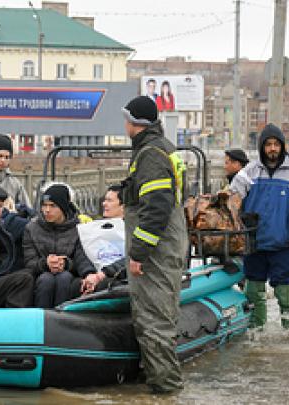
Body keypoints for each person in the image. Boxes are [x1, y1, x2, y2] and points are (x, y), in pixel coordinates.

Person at [121, 95, 188, 394]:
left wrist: (138, 253)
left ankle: (167, 392)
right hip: (168, 248)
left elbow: (157, 206)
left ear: (135, 123)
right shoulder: (163, 149)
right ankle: (161, 385)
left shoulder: (150, 154)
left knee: (154, 323)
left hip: (156, 255)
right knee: (159, 319)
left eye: (126, 119)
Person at [230, 123, 289, 329]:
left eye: (276, 144)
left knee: (286, 294)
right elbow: (232, 200)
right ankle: (256, 334)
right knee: (253, 293)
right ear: (262, 147)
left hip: (283, 245)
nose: (272, 149)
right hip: (254, 244)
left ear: (282, 146)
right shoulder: (249, 172)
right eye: (268, 144)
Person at [23, 184, 97, 308]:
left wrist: (66, 264)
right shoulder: (31, 228)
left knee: (64, 277)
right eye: (44, 205)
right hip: (39, 274)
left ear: (63, 207)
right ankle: (42, 319)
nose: (47, 210)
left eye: (52, 206)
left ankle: (62, 320)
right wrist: (45, 263)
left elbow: (82, 258)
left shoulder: (78, 228)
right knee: (46, 279)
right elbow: (29, 261)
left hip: (69, 275)